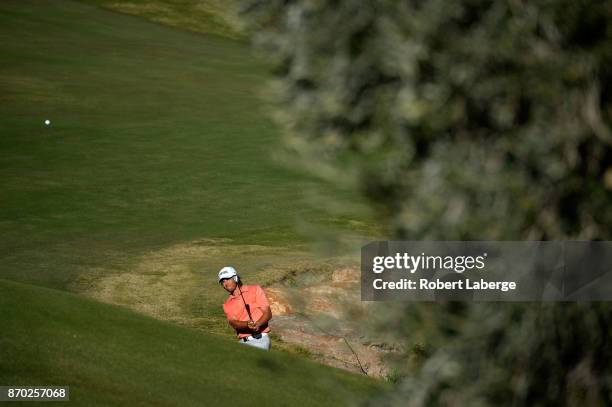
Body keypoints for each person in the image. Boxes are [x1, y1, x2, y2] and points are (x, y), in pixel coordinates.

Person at [218, 266, 272, 350]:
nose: (225, 284)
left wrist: (258, 324)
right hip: (242, 342)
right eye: (222, 282)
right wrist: (246, 324)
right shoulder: (227, 304)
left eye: (227, 279)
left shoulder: (255, 289)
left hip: (260, 339)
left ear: (235, 278)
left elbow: (268, 313)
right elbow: (233, 323)